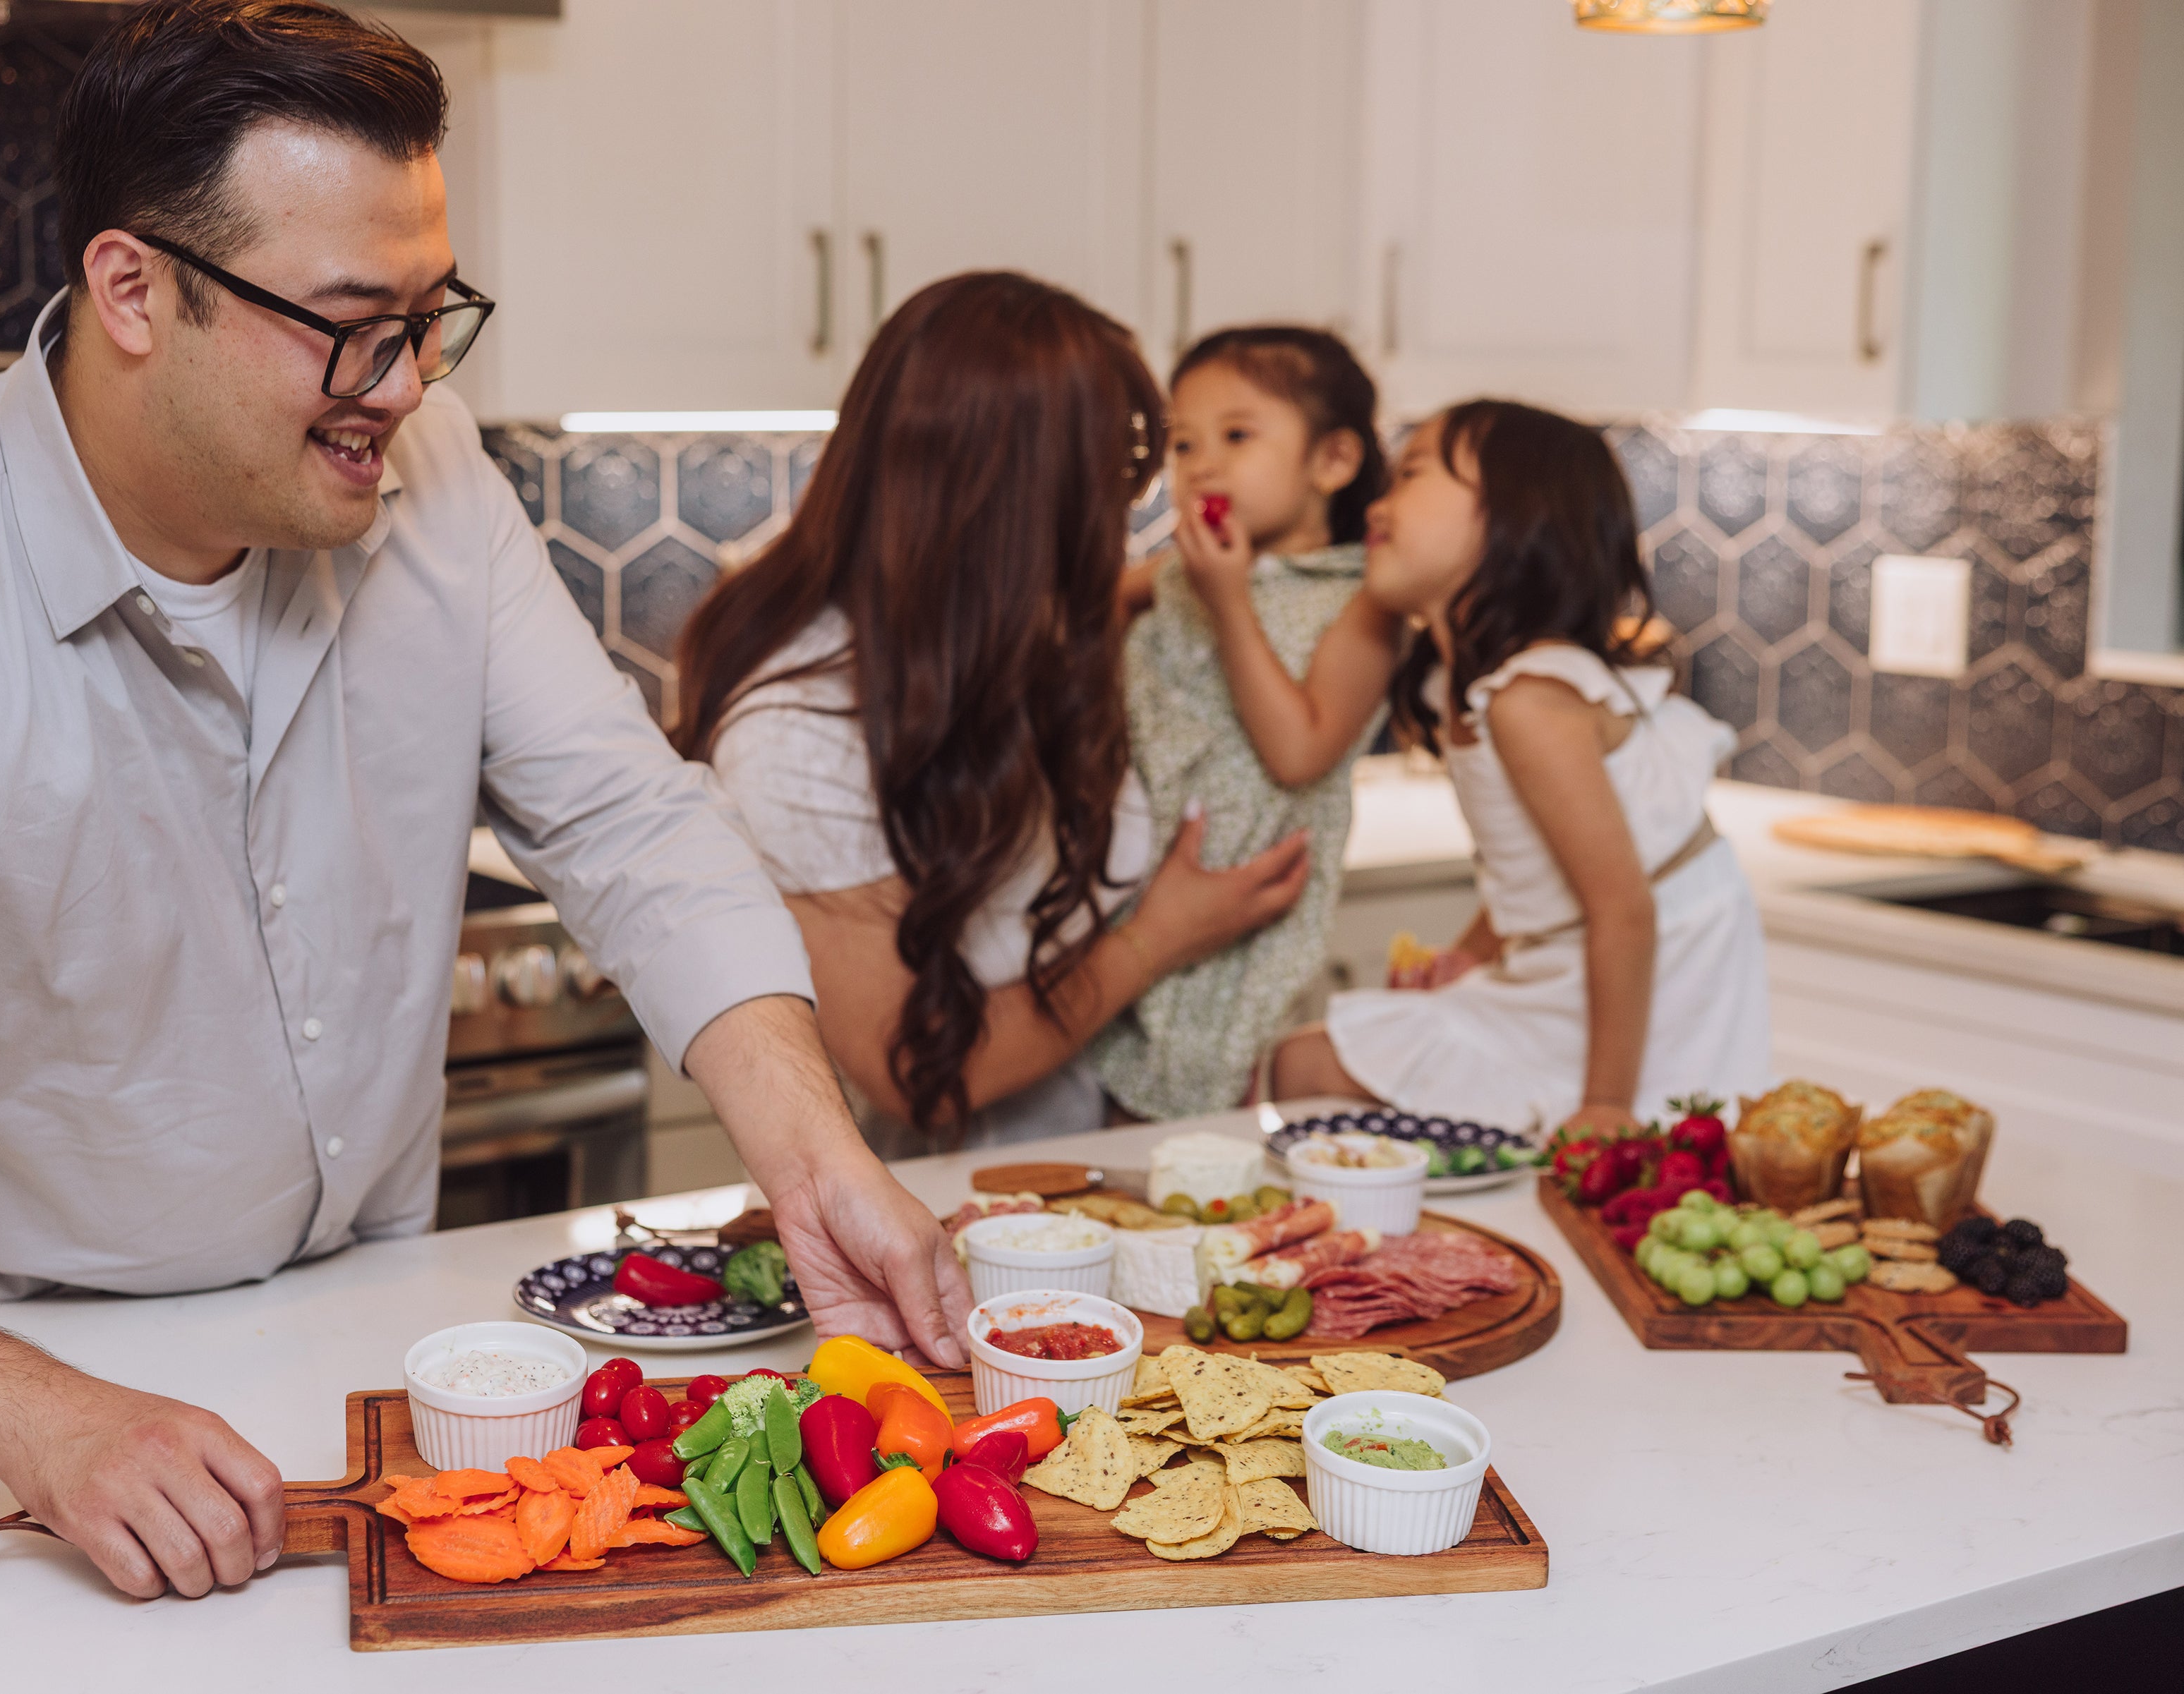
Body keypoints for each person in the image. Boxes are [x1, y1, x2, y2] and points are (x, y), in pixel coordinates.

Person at [0, 0, 966, 1604]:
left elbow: (626, 823)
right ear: (134, 289)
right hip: (25, 1398)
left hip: (367, 1334)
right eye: (352, 321)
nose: (407, 385)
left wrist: (812, 1153)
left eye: (433, 313)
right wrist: (33, 1413)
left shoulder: (433, 475)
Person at [674, 273, 1312, 1154]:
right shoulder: (797, 735)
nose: (1115, 530)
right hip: (974, 1190)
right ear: (1012, 514)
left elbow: (1130, 593)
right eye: (1095, 500)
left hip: (1117, 1146)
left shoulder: (1006, 616)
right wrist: (1161, 936)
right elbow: (920, 1072)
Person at [1270, 400, 1772, 1134]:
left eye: (1412, 474)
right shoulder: (1462, 687)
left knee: (1308, 1067)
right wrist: (1469, 955)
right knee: (1301, 1065)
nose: (1380, 502)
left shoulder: (1531, 700)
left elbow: (1623, 909)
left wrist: (1604, 1106)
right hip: (1572, 965)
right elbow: (1534, 871)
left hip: (1657, 977)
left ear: (1511, 519)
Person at [1092, 327, 1400, 1120]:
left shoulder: (1361, 602)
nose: (1203, 465)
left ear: (1333, 461)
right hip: (1135, 886)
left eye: (1236, 435)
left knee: (1196, 1116)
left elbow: (1299, 749)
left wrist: (1227, 601)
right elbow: (1084, 612)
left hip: (1240, 909)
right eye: (1183, 442)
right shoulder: (1182, 569)